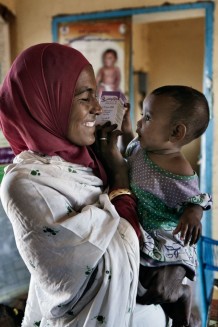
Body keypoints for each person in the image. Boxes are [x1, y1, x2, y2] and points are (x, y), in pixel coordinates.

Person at [0, 43, 203, 327]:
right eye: (86, 97)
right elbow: (96, 267)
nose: (98, 107)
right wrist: (119, 180)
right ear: (46, 103)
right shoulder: (26, 182)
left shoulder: (90, 159)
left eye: (96, 95)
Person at [99, 85, 212, 327]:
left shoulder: (177, 167)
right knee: (137, 286)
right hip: (144, 229)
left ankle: (182, 301)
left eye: (147, 118)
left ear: (176, 132)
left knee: (154, 287)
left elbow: (197, 196)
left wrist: (193, 213)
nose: (140, 123)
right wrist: (128, 132)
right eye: (142, 114)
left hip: (165, 239)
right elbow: (129, 156)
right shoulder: (143, 146)